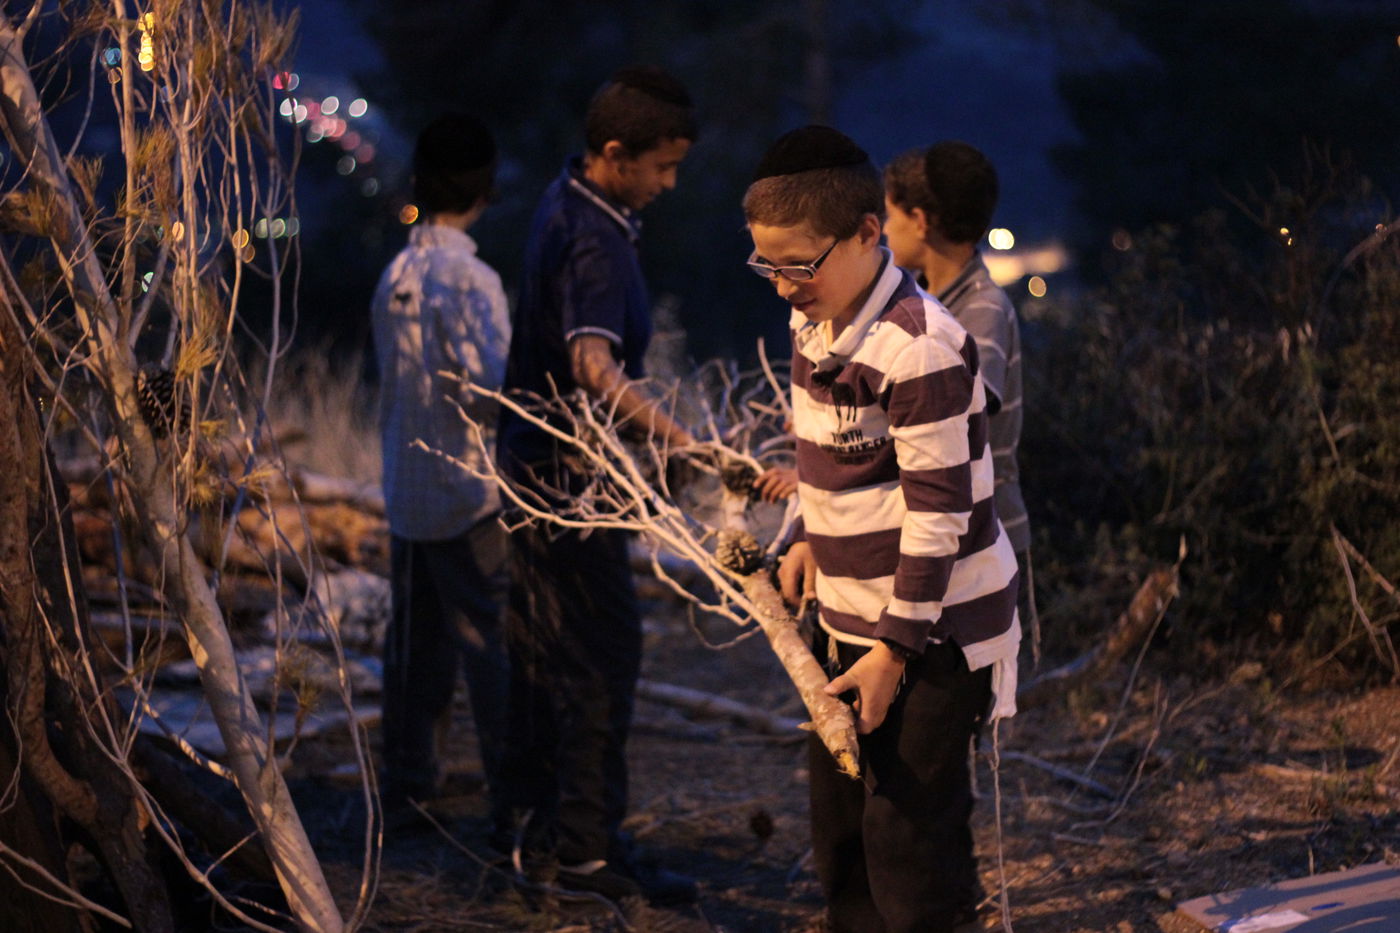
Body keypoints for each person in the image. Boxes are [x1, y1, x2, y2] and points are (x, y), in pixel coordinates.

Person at [743, 125, 1021, 933]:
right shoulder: (815, 325)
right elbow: (825, 457)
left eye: (800, 263)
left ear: (869, 232)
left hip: (933, 631)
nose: (784, 285)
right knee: (841, 827)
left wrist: (892, 654)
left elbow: (940, 516)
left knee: (908, 830)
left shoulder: (921, 346)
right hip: (849, 612)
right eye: (768, 264)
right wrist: (802, 534)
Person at [496, 65, 697, 904]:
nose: (669, 183)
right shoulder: (597, 237)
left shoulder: (567, 197)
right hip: (570, 489)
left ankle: (548, 836)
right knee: (602, 660)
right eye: (662, 166)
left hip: (534, 476)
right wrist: (680, 437)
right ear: (616, 154)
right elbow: (591, 362)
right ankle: (585, 852)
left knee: (553, 658)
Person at [369, 114, 513, 826]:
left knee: (414, 648)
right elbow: (491, 387)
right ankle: (512, 803)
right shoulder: (470, 279)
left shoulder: (396, 272)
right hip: (466, 489)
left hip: (405, 488)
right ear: (485, 189)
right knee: (492, 650)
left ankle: (406, 788)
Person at [882, 143, 1034, 640]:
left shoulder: (981, 310)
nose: (884, 230)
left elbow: (962, 421)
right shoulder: (929, 302)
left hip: (985, 543)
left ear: (920, 220)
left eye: (890, 216)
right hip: (958, 538)